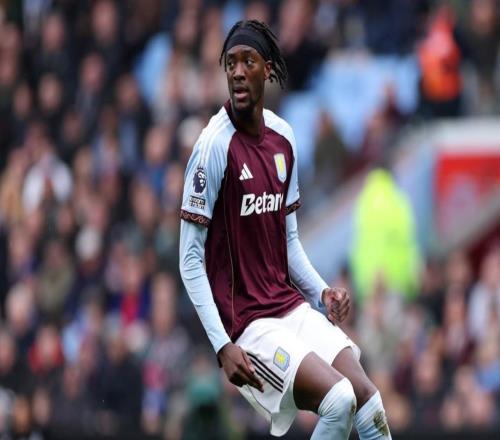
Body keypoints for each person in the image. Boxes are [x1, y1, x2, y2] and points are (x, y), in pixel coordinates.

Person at [179, 20, 391, 439]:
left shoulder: (283, 138)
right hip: (249, 327)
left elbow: (288, 240)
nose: (238, 72)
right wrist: (223, 345)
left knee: (368, 400)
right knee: (339, 400)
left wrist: (322, 292)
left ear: (269, 69)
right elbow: (189, 259)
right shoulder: (213, 147)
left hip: (290, 307)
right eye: (231, 64)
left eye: (248, 61)